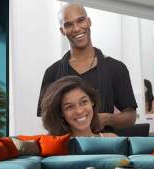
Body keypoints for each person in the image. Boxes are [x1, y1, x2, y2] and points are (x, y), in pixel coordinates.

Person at [37, 4, 137, 132]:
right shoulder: (52, 73)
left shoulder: (116, 68)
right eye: (68, 25)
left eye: (80, 20)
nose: (77, 28)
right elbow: (47, 119)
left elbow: (130, 116)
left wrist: (107, 118)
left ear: (89, 22)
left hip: (105, 148)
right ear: (62, 31)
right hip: (67, 148)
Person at [41, 76, 117, 137]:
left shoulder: (112, 140)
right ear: (61, 113)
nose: (79, 111)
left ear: (92, 102)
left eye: (84, 102)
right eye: (69, 107)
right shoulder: (54, 147)